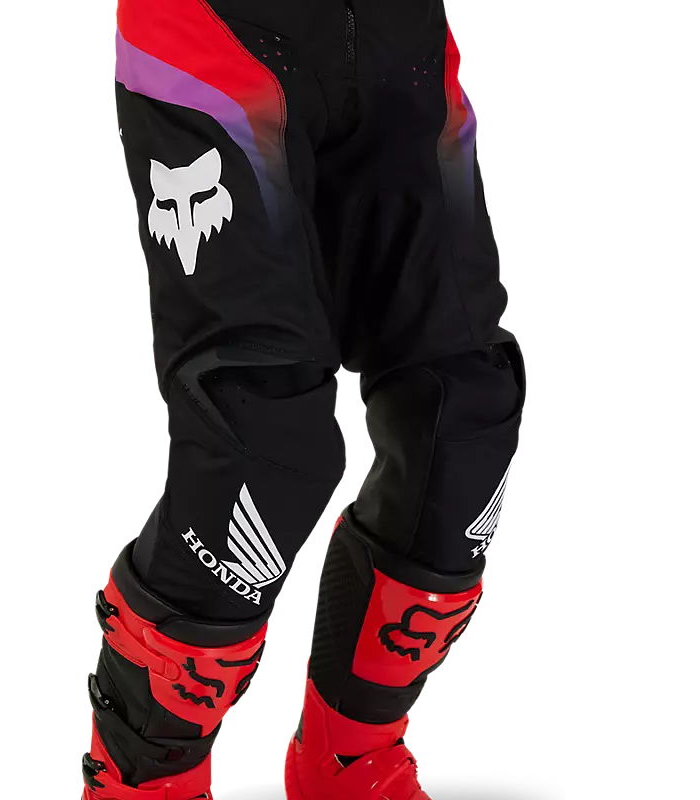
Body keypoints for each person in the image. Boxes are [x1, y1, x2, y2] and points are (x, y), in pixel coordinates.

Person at [82, 1, 525, 798]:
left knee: (463, 423)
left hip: (400, 40)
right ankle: (141, 785)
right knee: (264, 450)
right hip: (216, 38)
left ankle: (350, 769)